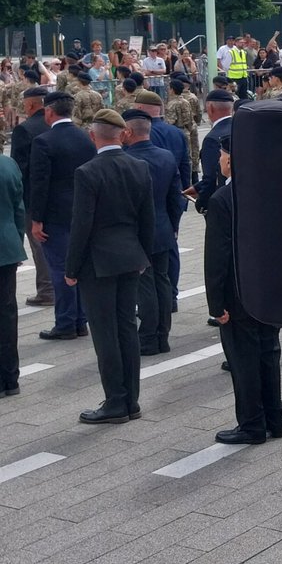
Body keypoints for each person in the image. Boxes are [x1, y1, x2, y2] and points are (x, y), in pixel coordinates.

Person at [65, 109, 155, 424]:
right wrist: (143, 256)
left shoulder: (87, 172)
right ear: (122, 134)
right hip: (130, 256)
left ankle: (116, 401)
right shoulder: (139, 167)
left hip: (98, 262)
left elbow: (81, 225)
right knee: (127, 328)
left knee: (105, 334)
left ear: (93, 136)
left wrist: (71, 268)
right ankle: (131, 400)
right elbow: (147, 219)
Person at [203, 133, 282, 444]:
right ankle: (275, 418)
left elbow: (217, 257)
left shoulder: (222, 200)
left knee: (243, 361)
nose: (219, 161)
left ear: (230, 161)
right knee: (269, 354)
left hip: (237, 294)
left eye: (222, 155)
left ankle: (252, 423)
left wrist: (216, 304)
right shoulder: (272, 191)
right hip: (268, 291)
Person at [28, 91, 94, 341]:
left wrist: (36, 219)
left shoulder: (44, 142)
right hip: (83, 211)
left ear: (49, 111)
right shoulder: (85, 137)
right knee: (79, 266)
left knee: (59, 269)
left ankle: (66, 322)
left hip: (55, 215)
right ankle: (80, 320)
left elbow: (39, 183)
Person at [121, 109, 183, 356]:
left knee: (144, 284)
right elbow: (175, 197)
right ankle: (162, 336)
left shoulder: (127, 160)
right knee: (162, 281)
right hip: (163, 226)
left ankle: (147, 337)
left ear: (128, 132)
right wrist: (174, 225)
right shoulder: (166, 157)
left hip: (137, 231)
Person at [9, 87, 53, 307]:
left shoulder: (24, 130)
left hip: (32, 197)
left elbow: (18, 168)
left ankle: (47, 290)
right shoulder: (55, 124)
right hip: (60, 196)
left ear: (30, 104)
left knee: (38, 244)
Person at [0, 150, 25, 396]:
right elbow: (19, 209)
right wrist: (17, 241)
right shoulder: (9, 165)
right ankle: (10, 377)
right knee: (7, 314)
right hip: (7, 247)